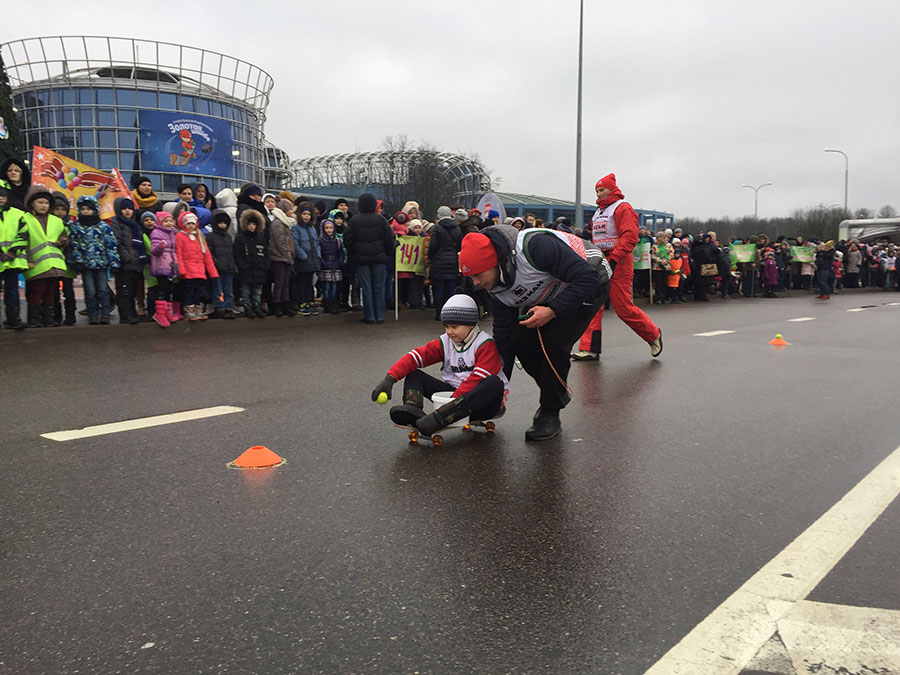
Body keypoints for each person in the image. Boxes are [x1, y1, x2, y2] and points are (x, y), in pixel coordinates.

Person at [458, 223, 611, 441]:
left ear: (494, 263)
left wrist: (552, 310)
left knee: (554, 342)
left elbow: (586, 278)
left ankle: (550, 412)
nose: (476, 283)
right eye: (470, 277)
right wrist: (497, 391)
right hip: (550, 289)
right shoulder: (493, 288)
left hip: (590, 279)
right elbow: (503, 338)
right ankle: (556, 391)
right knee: (518, 339)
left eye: (478, 275)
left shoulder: (536, 247)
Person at [371, 294, 508, 436]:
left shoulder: (485, 343)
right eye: (446, 326)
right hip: (454, 396)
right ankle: (413, 409)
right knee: (414, 373)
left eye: (454, 326)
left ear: (471, 324)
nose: (449, 331)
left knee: (493, 383)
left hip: (482, 404)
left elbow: (478, 378)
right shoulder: (446, 341)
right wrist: (390, 379)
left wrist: (450, 405)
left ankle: (439, 418)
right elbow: (416, 357)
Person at [573, 173, 663, 360]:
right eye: (597, 190)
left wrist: (614, 259)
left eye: (602, 189)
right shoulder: (598, 212)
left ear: (612, 189)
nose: (598, 194)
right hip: (599, 261)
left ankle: (653, 335)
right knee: (591, 305)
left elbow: (630, 237)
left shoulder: (622, 208)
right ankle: (589, 348)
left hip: (619, 262)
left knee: (623, 308)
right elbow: (594, 237)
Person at [20, 187, 70, 328]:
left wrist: (63, 241)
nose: (43, 206)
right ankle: (33, 319)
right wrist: (28, 260)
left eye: (46, 203)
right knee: (37, 292)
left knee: (51, 292)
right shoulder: (26, 219)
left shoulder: (56, 220)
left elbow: (64, 236)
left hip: (54, 263)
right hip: (37, 264)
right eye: (40, 202)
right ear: (32, 204)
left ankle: (49, 319)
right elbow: (25, 243)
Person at [69, 195, 120, 325]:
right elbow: (74, 245)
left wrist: (114, 261)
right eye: (83, 209)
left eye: (89, 209)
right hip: (85, 265)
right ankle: (92, 314)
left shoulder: (103, 226)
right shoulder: (76, 226)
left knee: (103, 290)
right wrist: (78, 260)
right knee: (90, 291)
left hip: (101, 263)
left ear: (95, 209)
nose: (86, 211)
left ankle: (105, 314)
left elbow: (110, 244)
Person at [343, 193, 393, 325]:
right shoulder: (381, 219)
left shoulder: (354, 220)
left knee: (366, 287)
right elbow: (389, 239)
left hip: (361, 259)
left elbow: (347, 239)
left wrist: (354, 252)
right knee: (379, 287)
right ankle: (380, 316)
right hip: (379, 258)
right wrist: (386, 253)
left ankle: (369, 316)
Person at [175, 211, 218, 321]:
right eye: (188, 224)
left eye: (193, 224)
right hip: (188, 270)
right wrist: (181, 269)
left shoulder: (199, 236)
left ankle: (197, 309)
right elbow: (178, 254)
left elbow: (206, 255)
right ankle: (188, 310)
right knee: (188, 291)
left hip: (199, 270)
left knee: (198, 291)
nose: (191, 226)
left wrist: (212, 271)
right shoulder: (180, 236)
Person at [108, 197, 144, 325]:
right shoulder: (117, 224)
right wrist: (126, 257)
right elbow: (117, 243)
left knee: (133, 290)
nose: (127, 211)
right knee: (124, 290)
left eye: (130, 208)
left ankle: (132, 312)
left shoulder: (135, 225)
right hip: (124, 264)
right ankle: (125, 314)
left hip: (135, 263)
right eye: (124, 209)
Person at [429, 205, 463, 320]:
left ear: (439, 215)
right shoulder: (457, 228)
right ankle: (451, 313)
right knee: (451, 289)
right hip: (452, 261)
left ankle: (439, 313)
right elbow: (459, 246)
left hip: (438, 262)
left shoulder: (437, 228)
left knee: (438, 289)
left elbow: (433, 246)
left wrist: (430, 256)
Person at [233, 209, 269, 319]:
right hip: (246, 269)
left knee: (257, 291)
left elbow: (266, 253)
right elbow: (237, 254)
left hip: (259, 269)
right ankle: (247, 307)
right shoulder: (240, 238)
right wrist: (242, 265)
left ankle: (256, 306)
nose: (252, 227)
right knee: (246, 290)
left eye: (254, 224)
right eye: (249, 224)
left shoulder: (261, 239)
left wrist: (265, 266)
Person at [0, 184, 27, 329]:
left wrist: (12, 252)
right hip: (3, 259)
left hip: (12, 260)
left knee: (12, 292)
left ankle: (13, 318)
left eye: (3, 196)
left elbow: (23, 234)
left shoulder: (18, 214)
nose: (1, 199)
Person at [50, 192, 78, 325]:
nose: (60, 212)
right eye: (57, 209)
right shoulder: (49, 225)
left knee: (68, 291)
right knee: (54, 291)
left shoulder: (71, 226)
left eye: (63, 209)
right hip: (53, 262)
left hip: (68, 263)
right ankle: (57, 316)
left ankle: (70, 316)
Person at [149, 211, 180, 327]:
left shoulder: (172, 233)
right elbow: (154, 251)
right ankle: (159, 314)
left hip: (170, 265)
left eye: (170, 221)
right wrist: (160, 247)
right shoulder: (156, 233)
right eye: (165, 221)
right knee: (162, 289)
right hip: (161, 265)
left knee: (169, 290)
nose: (168, 223)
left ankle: (167, 312)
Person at [291, 200, 321, 316]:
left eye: (308, 214)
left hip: (312, 260)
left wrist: (318, 256)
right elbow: (296, 244)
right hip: (303, 261)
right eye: (304, 214)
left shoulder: (312, 229)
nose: (306, 216)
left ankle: (309, 302)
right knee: (302, 283)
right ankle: (303, 303)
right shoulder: (296, 228)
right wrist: (303, 256)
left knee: (309, 283)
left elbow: (316, 243)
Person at [207, 209, 238, 319]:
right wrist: (216, 264)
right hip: (218, 268)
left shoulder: (228, 237)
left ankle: (228, 307)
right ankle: (219, 307)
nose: (222, 225)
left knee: (228, 290)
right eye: (220, 223)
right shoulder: (211, 237)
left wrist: (233, 265)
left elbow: (232, 253)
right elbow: (209, 253)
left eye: (224, 223)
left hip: (228, 268)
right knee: (218, 290)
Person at [318, 218, 344, 314]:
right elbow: (319, 254)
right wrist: (324, 264)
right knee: (326, 287)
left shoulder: (337, 241)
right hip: (326, 266)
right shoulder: (320, 241)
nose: (329, 230)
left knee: (334, 287)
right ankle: (327, 304)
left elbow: (341, 253)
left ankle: (333, 304)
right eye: (327, 228)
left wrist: (340, 262)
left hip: (335, 266)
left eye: (331, 228)